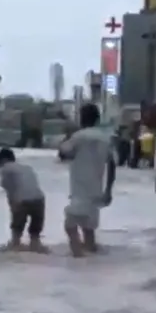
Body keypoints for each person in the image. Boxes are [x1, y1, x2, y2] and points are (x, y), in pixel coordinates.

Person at [56, 103, 116, 257]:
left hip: (79, 190)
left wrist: (68, 134)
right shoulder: (106, 138)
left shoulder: (78, 136)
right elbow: (112, 164)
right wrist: (108, 190)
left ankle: (78, 259)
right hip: (96, 191)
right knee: (89, 232)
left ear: (82, 118)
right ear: (97, 119)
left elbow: (63, 154)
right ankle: (91, 264)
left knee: (70, 225)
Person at [0, 147, 48, 252]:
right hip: (39, 198)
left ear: (2, 160)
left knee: (17, 227)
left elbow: (9, 187)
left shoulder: (6, 168)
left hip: (22, 200)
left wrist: (13, 205)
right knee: (35, 229)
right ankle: (35, 244)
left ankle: (15, 243)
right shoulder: (27, 167)